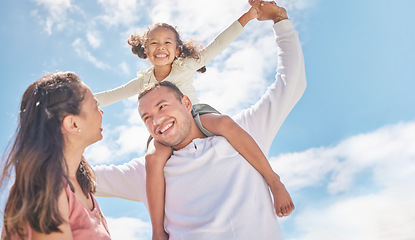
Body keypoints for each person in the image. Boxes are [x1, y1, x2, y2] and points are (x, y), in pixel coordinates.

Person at [94, 1, 305, 239]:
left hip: (200, 115)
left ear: (177, 49)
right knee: (152, 159)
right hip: (162, 156)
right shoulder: (144, 84)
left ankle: (273, 179)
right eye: (153, 43)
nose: (160, 47)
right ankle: (156, 230)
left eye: (167, 42)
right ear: (145, 50)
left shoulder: (189, 72)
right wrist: (71, 102)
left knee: (224, 123)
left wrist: (251, 16)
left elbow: (219, 45)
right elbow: (110, 96)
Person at [0, 72, 110, 239]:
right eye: (95, 106)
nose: (101, 112)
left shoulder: (81, 187)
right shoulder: (45, 185)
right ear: (73, 124)